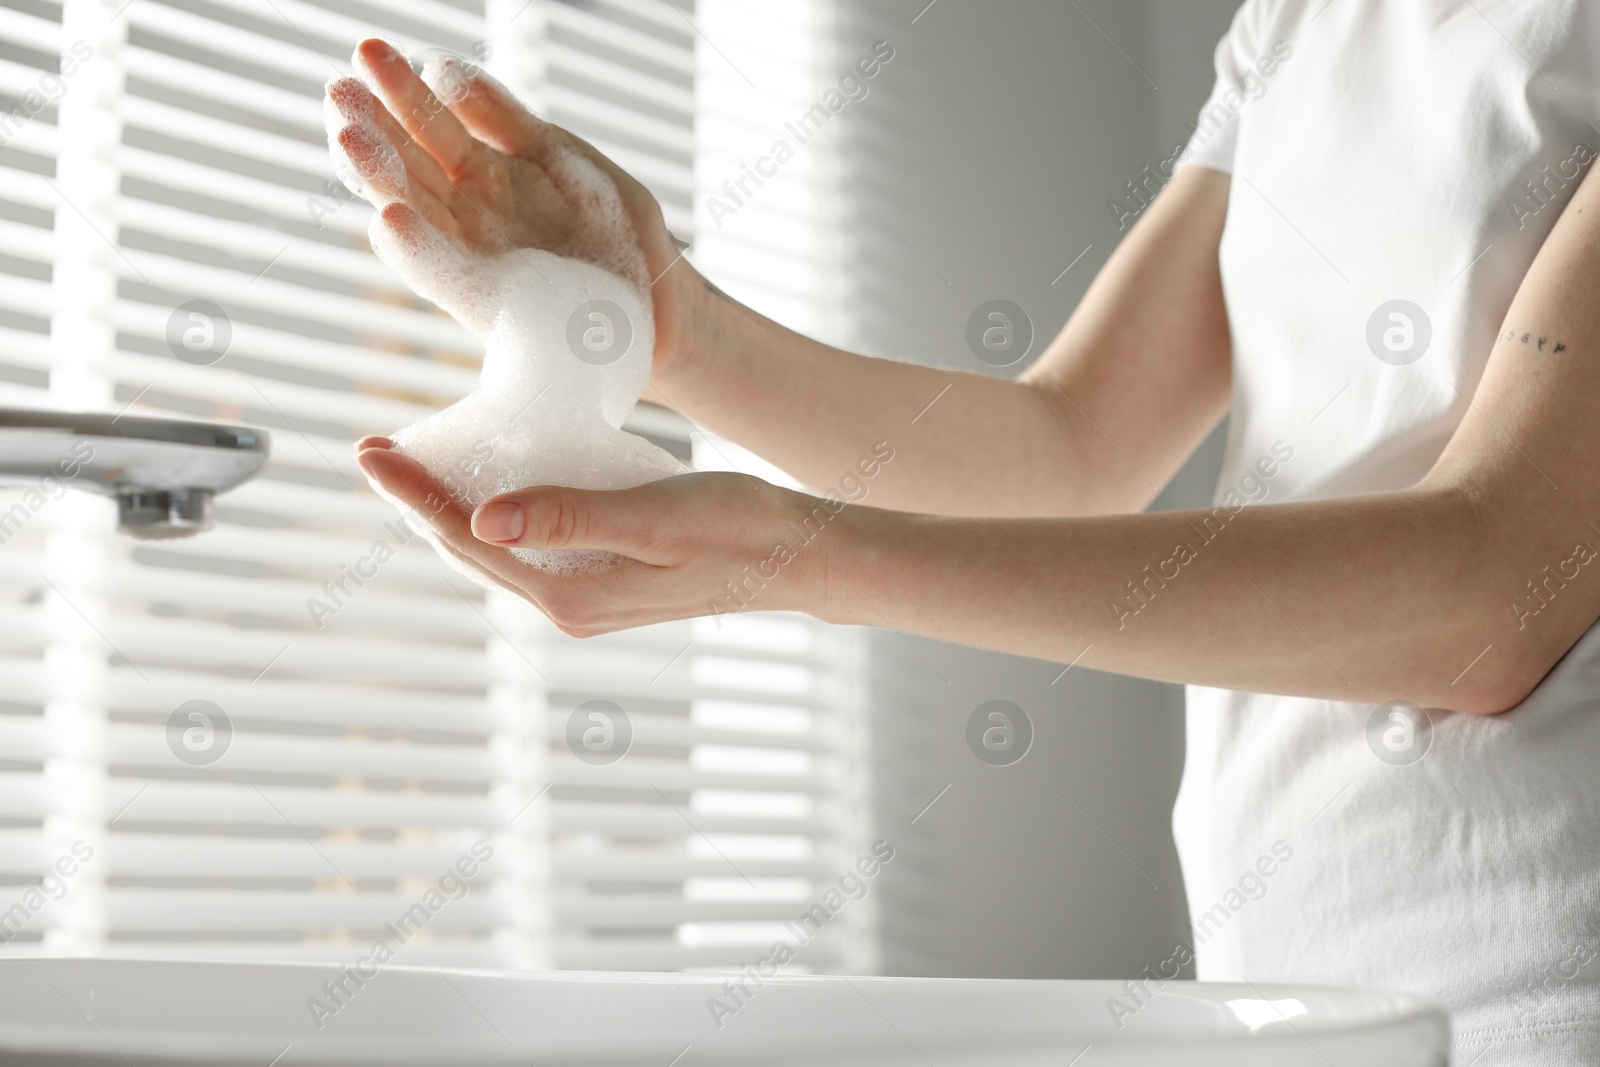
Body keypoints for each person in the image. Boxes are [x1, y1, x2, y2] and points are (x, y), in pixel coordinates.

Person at [335, 2, 1600, 1061]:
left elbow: (1492, 585)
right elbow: (1070, 445)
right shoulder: (1298, 21)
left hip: (1543, 976)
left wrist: (802, 553)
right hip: (1289, 984)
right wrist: (678, 326)